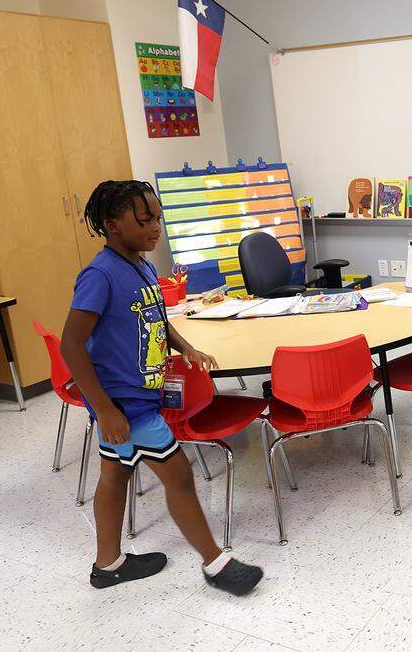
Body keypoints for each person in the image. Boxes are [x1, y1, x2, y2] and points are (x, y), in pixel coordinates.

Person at [60, 180, 264, 593]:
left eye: (157, 217)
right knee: (179, 476)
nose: (156, 227)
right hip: (126, 403)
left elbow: (156, 318)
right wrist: (105, 409)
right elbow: (71, 344)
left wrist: (186, 347)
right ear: (111, 225)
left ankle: (109, 564)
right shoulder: (99, 275)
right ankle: (216, 565)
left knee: (114, 476)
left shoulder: (142, 264)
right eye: (144, 219)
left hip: (134, 396)